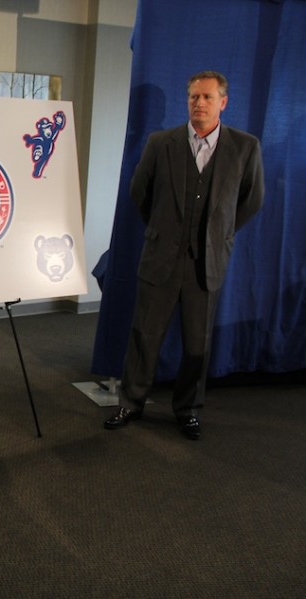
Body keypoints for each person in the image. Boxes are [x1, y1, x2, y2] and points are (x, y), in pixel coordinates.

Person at [104, 70, 264, 440]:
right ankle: (131, 402)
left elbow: (251, 200)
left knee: (197, 342)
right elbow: (139, 192)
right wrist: (163, 231)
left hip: (205, 264)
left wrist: (217, 234)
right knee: (144, 335)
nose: (200, 103)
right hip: (160, 259)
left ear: (223, 102)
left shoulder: (245, 147)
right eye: (194, 97)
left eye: (207, 97)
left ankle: (188, 410)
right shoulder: (161, 143)